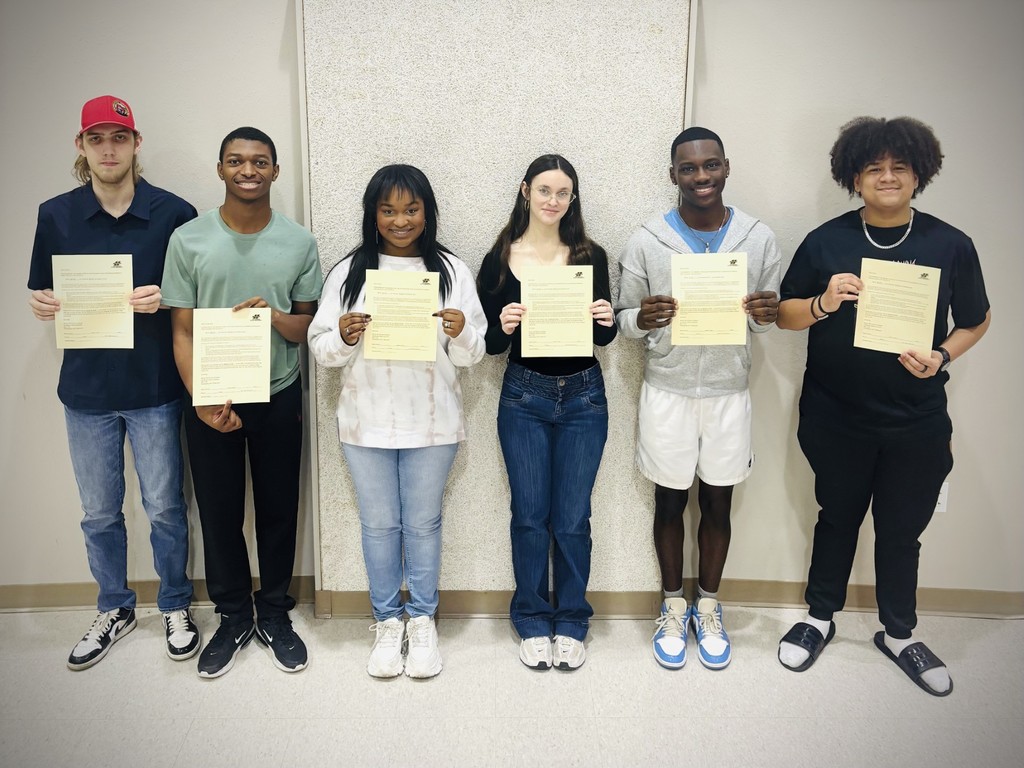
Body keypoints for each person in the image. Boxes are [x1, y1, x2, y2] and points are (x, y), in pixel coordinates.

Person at [776, 117, 990, 697]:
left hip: (915, 420)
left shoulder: (951, 243)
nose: (887, 177)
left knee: (901, 531)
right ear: (854, 176)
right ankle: (819, 617)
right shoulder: (826, 241)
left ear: (919, 173)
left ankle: (899, 633)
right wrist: (822, 302)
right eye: (874, 168)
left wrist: (942, 355)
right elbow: (783, 312)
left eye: (899, 167)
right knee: (836, 516)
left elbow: (976, 319)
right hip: (834, 416)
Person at [27, 95, 199, 671]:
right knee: (99, 511)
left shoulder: (175, 213)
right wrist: (45, 304)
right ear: (81, 146)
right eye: (96, 138)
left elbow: (195, 296)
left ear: (135, 143)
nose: (108, 148)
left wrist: (167, 298)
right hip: (87, 391)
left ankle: (175, 602)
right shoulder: (55, 214)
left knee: (165, 508)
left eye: (118, 138)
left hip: (155, 388)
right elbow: (41, 290)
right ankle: (115, 606)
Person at [308, 164, 486, 679]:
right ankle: (388, 622)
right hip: (365, 423)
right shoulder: (348, 273)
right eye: (388, 210)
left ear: (427, 211)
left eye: (411, 209)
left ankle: (422, 620)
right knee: (380, 526)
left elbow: (474, 354)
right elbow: (322, 351)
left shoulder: (451, 271)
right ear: (373, 215)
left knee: (424, 524)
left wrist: (459, 333)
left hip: (432, 422)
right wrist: (342, 334)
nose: (400, 220)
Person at [615, 127, 781, 670]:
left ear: (727, 167)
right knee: (669, 501)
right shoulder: (646, 239)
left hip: (729, 394)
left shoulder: (758, 238)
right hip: (668, 391)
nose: (701, 176)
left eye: (711, 165)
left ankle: (708, 605)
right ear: (673, 175)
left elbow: (766, 323)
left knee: (717, 503)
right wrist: (641, 319)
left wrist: (764, 316)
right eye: (689, 168)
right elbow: (622, 320)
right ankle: (671, 606)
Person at [162, 127, 323, 678]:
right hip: (211, 399)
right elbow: (180, 331)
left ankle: (275, 612)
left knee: (279, 510)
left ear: (276, 171)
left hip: (278, 395)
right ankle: (233, 616)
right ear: (220, 169)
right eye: (236, 161)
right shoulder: (188, 239)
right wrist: (202, 399)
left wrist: (274, 317)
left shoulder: (299, 242)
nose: (247, 170)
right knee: (220, 512)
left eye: (259, 162)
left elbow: (306, 327)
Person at [476, 154, 616, 671]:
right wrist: (506, 324)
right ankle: (533, 617)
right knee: (530, 516)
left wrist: (606, 318)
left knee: (573, 518)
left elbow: (603, 336)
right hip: (523, 396)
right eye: (544, 191)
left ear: (572, 198)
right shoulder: (498, 258)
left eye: (563, 192)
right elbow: (488, 345)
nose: (553, 201)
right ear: (525, 192)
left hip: (584, 397)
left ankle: (573, 618)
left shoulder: (590, 256)